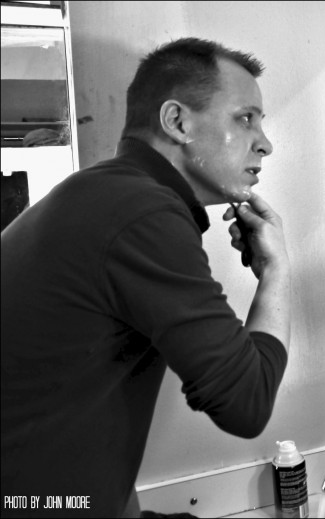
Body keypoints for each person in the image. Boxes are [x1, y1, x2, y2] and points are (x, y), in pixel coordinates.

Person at [1, 38, 291, 517]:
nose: (265, 142)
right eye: (246, 118)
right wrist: (277, 271)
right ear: (177, 122)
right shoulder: (142, 213)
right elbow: (246, 402)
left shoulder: (101, 193)